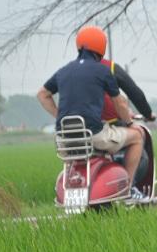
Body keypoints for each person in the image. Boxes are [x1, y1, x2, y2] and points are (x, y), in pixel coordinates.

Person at [37, 26, 146, 195]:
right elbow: (121, 104)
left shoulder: (64, 71)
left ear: (79, 46)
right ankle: (129, 188)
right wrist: (130, 123)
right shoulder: (103, 71)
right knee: (138, 136)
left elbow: (42, 94)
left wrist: (59, 115)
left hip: (64, 138)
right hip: (94, 135)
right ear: (101, 47)